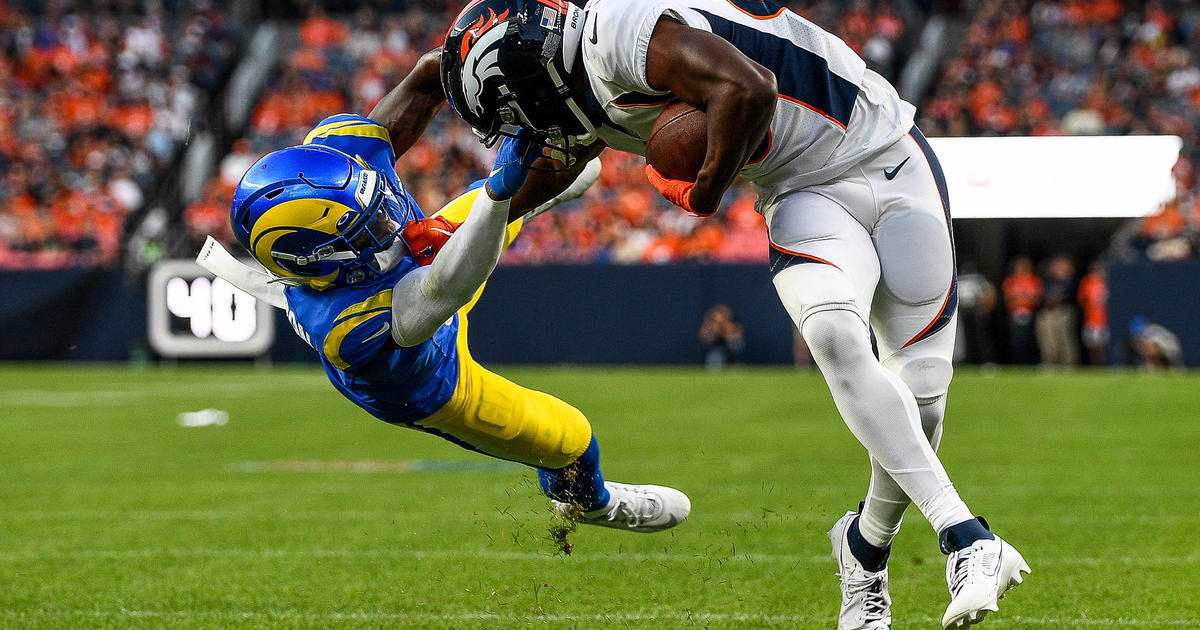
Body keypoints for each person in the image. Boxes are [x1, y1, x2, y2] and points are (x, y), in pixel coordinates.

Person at [439, 1, 1028, 628]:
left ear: (529, 69)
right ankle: (966, 538)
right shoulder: (577, 82)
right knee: (830, 329)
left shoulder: (617, 31)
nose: (523, 127)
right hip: (801, 187)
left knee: (924, 400)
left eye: (515, 107)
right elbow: (554, 158)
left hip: (889, 154)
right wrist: (445, 235)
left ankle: (864, 549)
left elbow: (751, 88)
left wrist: (708, 188)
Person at [226, 50, 690, 536]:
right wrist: (498, 196)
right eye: (364, 232)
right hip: (433, 376)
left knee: (565, 168)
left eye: (377, 203)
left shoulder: (342, 158)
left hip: (425, 269)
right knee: (570, 436)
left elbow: (430, 75)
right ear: (316, 263)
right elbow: (449, 283)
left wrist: (484, 60)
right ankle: (589, 503)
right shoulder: (346, 326)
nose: (387, 219)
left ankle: (536, 185)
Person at [1002, 256, 1042, 365]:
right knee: (1017, 341)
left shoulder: (1033, 280)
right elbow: (1008, 298)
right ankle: (1019, 363)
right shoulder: (1011, 281)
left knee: (1031, 339)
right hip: (1015, 313)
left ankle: (1032, 363)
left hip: (1030, 313)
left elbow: (1037, 297)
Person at [698, 303, 745, 370]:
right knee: (714, 360)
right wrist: (713, 329)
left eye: (722, 314)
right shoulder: (711, 324)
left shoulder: (733, 321)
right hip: (719, 347)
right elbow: (705, 339)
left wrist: (723, 328)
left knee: (735, 345)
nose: (719, 317)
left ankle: (735, 365)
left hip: (732, 346)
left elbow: (735, 337)